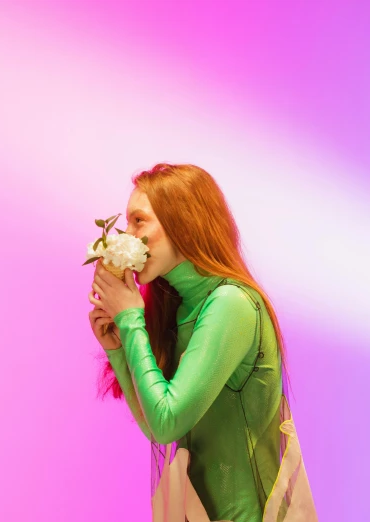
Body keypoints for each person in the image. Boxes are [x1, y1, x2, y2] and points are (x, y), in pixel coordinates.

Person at [88, 163, 316, 521]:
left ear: (182, 222)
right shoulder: (182, 310)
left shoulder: (231, 303)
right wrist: (118, 348)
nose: (126, 236)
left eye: (138, 221)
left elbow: (166, 423)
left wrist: (132, 320)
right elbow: (156, 428)